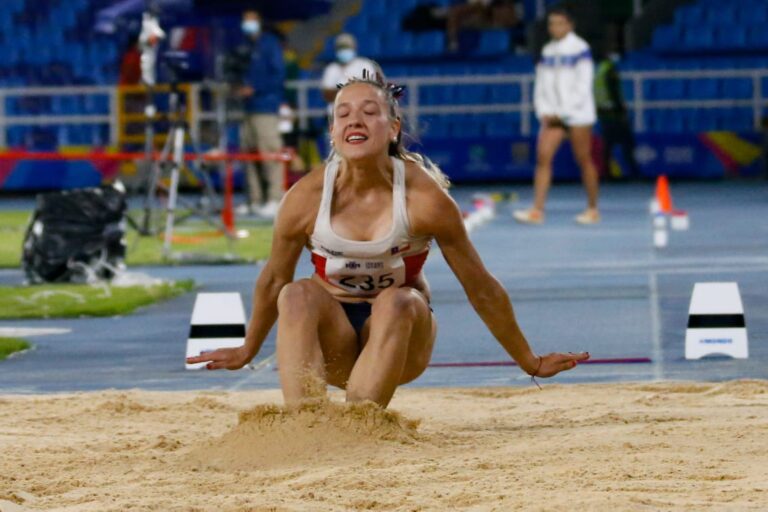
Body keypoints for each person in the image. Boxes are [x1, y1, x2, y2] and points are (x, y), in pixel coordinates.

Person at [187, 73, 589, 408]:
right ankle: (305, 425)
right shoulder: (306, 198)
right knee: (294, 294)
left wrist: (529, 360)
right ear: (332, 132)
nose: (354, 121)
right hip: (334, 342)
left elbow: (480, 286)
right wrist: (247, 349)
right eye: (342, 113)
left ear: (393, 127)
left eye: (369, 112)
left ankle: (362, 421)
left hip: (402, 339)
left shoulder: (424, 199)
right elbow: (274, 279)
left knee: (396, 299)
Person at [513, 7, 600, 225]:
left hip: (578, 115)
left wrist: (564, 113)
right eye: (552, 23)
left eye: (560, 23)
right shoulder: (548, 51)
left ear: (570, 25)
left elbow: (583, 86)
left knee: (584, 159)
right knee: (543, 157)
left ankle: (592, 209)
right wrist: (543, 111)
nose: (555, 27)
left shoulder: (581, 49)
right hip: (552, 117)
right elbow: (540, 86)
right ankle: (537, 210)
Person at [236, 9, 286, 219]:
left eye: (251, 20)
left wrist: (255, 88)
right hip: (247, 108)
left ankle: (275, 199)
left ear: (259, 22)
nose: (247, 24)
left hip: (266, 107)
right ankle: (254, 200)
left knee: (269, 153)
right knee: (248, 153)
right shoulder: (245, 46)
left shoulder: (270, 44)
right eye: (244, 20)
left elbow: (278, 75)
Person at [594, 50, 640, 179]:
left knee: (608, 145)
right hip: (614, 113)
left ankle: (606, 172)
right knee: (627, 142)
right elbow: (614, 92)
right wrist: (622, 111)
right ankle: (633, 171)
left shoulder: (598, 71)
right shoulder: (609, 69)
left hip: (603, 112)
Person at [321, 33, 381, 108]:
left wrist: (342, 91)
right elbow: (327, 95)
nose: (344, 50)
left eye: (347, 48)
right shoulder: (331, 69)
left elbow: (372, 90)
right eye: (341, 48)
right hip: (336, 113)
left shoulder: (365, 65)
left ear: (354, 48)